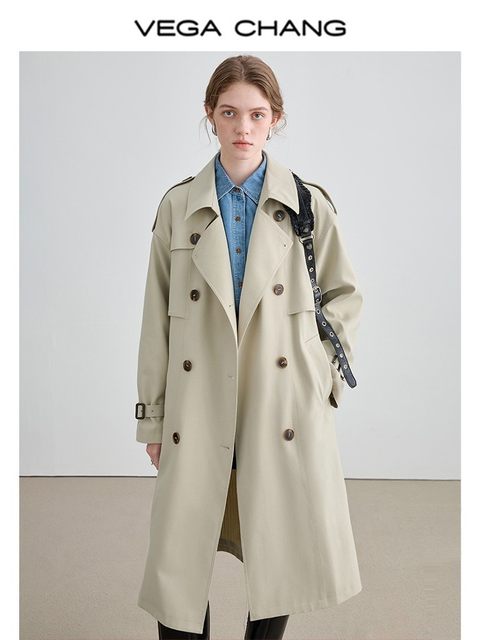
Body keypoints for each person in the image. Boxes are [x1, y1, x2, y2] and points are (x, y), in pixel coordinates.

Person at [135, 55, 363, 640]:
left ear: (275, 118)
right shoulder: (177, 206)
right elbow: (156, 319)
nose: (243, 127)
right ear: (209, 114)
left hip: (277, 400)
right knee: (180, 559)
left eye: (257, 114)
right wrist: (153, 417)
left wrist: (318, 376)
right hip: (198, 402)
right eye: (230, 112)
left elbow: (344, 295)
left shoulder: (307, 204)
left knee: (275, 547)